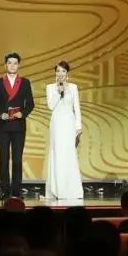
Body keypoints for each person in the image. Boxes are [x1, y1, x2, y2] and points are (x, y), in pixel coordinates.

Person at [0, 52, 35, 201]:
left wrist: (23, 113)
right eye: (9, 63)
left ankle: (16, 191)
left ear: (18, 65)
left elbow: (30, 104)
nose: (12, 65)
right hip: (3, 126)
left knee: (17, 160)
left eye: (15, 63)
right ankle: (4, 190)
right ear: (5, 65)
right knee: (3, 159)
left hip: (18, 126)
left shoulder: (25, 82)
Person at [44, 60, 84, 203]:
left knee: (69, 154)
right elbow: (51, 106)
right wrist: (58, 92)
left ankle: (70, 189)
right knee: (57, 154)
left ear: (67, 73)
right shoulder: (50, 87)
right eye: (58, 71)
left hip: (69, 124)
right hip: (56, 124)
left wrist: (78, 126)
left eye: (63, 71)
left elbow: (76, 107)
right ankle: (57, 189)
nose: (60, 73)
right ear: (55, 73)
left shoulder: (73, 87)